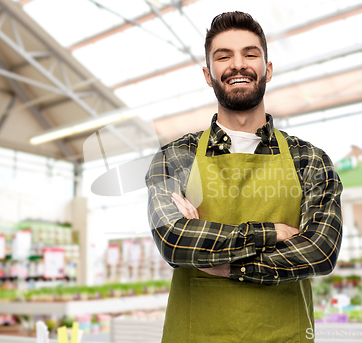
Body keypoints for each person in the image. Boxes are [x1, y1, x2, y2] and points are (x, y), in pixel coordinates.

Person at [145, 11, 343, 343]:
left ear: (267, 68)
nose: (238, 64)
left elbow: (320, 251)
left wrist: (223, 265)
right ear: (209, 75)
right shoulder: (175, 157)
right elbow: (175, 240)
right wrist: (275, 233)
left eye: (250, 54)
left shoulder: (309, 159)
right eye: (224, 57)